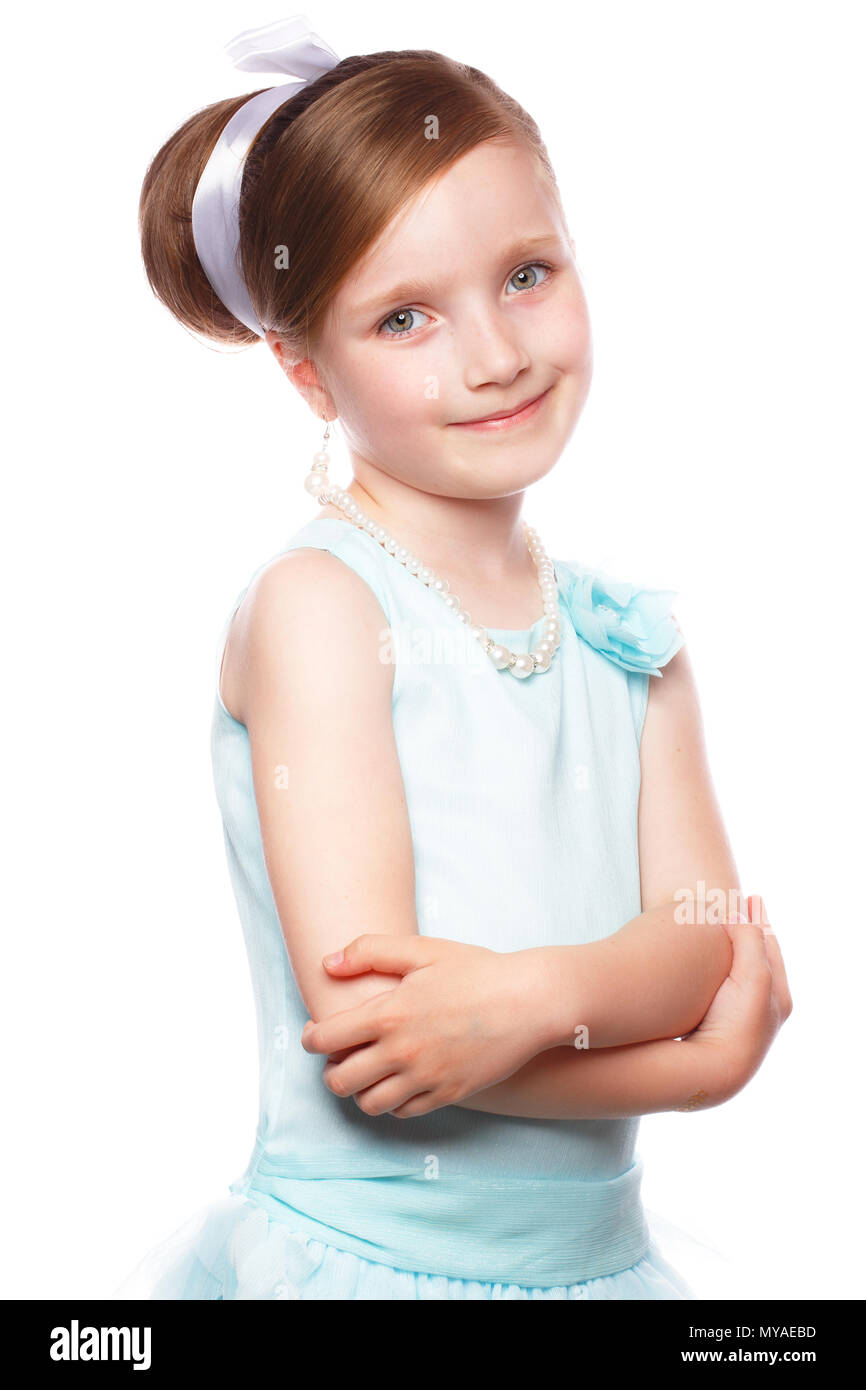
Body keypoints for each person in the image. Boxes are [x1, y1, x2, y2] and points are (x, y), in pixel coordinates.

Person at [114, 15, 792, 1300]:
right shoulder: (324, 608)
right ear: (306, 373)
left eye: (526, 273)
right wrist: (692, 1067)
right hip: (375, 1268)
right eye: (406, 317)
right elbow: (385, 1045)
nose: (494, 355)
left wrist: (526, 997)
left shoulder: (621, 635)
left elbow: (702, 945)